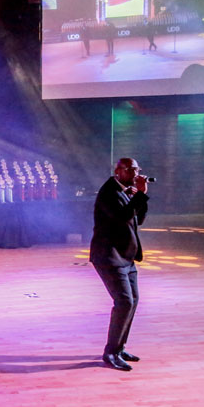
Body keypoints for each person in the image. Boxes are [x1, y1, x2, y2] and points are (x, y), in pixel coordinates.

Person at [89, 158, 149, 371]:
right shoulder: (109, 192)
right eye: (131, 170)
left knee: (133, 301)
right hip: (109, 256)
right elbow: (121, 218)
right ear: (118, 171)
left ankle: (119, 348)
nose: (135, 173)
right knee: (124, 301)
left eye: (137, 169)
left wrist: (139, 196)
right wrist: (140, 195)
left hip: (126, 256)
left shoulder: (124, 190)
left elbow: (138, 219)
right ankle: (110, 353)